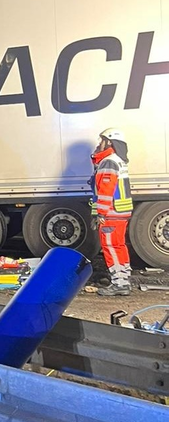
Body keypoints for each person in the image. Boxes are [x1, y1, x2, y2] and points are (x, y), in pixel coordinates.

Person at [90, 127, 133, 296]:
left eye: (102, 140)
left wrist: (100, 213)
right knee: (119, 246)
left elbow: (106, 191)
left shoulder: (108, 161)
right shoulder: (117, 160)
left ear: (110, 142)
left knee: (110, 246)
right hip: (119, 212)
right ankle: (124, 278)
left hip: (111, 214)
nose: (99, 144)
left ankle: (120, 284)